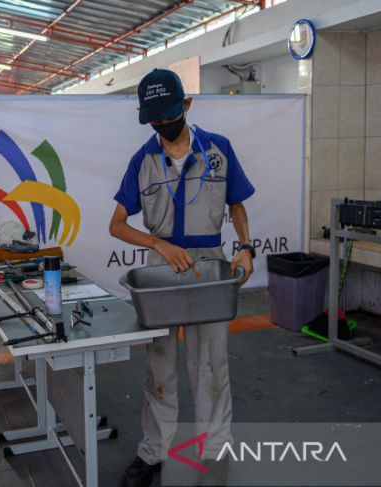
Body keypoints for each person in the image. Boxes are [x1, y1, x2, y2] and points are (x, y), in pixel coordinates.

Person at [110, 69, 256, 487]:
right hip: (162, 268)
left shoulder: (219, 150)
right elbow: (117, 224)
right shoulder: (142, 160)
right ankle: (153, 453)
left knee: (209, 362)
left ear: (187, 106)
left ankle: (215, 449)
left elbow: (238, 206)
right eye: (154, 119)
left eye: (168, 116)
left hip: (208, 264)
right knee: (160, 367)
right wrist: (159, 246)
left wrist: (245, 247)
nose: (162, 126)